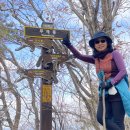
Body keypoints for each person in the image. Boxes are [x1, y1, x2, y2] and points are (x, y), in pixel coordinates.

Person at [62, 31, 129, 130]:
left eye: (103, 41)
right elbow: (80, 56)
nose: (100, 43)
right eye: (97, 42)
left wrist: (111, 82)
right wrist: (69, 45)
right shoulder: (96, 58)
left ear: (107, 43)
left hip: (117, 90)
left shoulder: (114, 54)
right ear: (94, 45)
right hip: (104, 91)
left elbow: (123, 71)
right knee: (101, 118)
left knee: (118, 122)